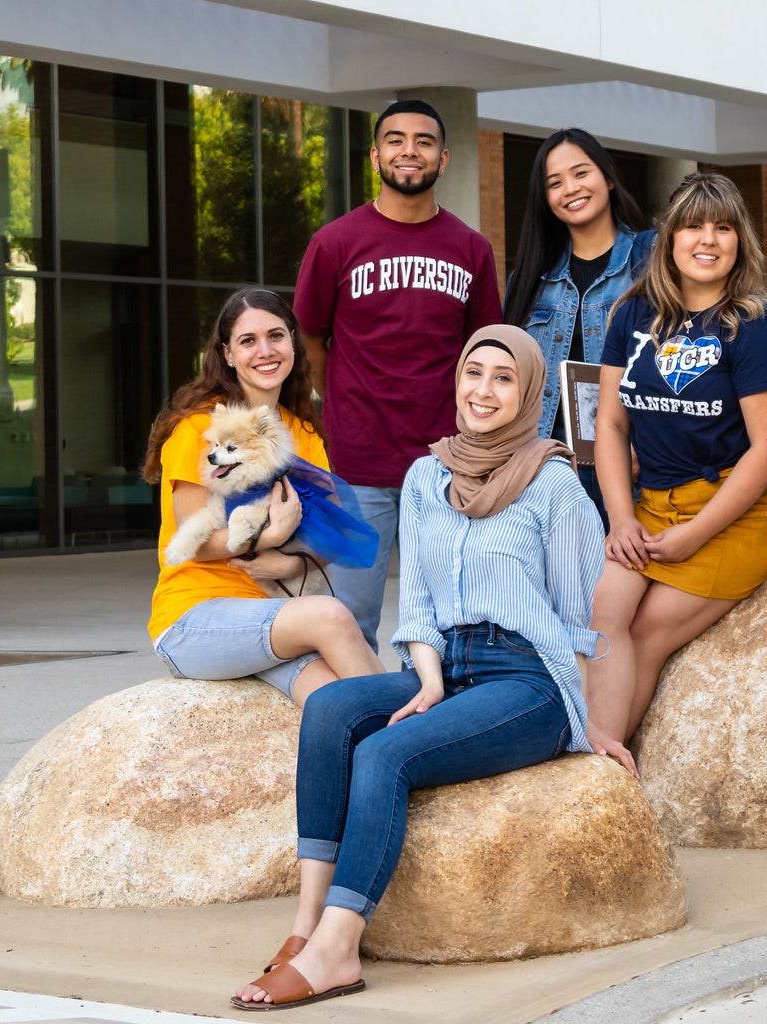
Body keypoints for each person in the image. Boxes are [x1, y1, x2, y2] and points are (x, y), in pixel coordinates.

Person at [230, 325, 605, 1011]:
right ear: (456, 381)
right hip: (449, 666)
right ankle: (306, 925)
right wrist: (427, 679)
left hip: (527, 683)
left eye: (503, 379)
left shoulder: (555, 487)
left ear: (528, 394)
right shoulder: (427, 476)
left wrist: (593, 722)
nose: (483, 391)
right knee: (330, 709)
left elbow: (582, 621)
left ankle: (340, 950)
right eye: (473, 373)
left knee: (386, 752)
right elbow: (422, 603)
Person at [581, 172, 767, 749]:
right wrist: (622, 517)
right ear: (669, 239)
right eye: (693, 226)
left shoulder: (759, 327)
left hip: (740, 508)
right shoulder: (631, 316)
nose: (708, 240)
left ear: (741, 240)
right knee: (602, 616)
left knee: (649, 628)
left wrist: (695, 534)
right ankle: (585, 756)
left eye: (723, 227)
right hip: (654, 503)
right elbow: (609, 423)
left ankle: (601, 771)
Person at [293, 98, 503, 652]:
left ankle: (436, 726)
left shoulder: (471, 249)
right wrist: (335, 403)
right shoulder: (335, 242)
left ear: (444, 158)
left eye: (424, 141)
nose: (409, 151)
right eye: (396, 140)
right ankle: (356, 726)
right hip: (357, 464)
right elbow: (310, 336)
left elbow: (486, 353)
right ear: (375, 154)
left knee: (446, 615)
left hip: (444, 465)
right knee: (350, 618)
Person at [141, 289, 381, 704]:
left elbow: (331, 539)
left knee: (335, 699)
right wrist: (267, 539)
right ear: (228, 354)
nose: (265, 351)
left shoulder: (301, 434)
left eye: (276, 336)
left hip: (277, 612)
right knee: (331, 616)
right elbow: (195, 545)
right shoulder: (200, 428)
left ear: (293, 342)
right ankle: (419, 736)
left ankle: (396, 746)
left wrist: (285, 562)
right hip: (196, 617)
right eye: (248, 341)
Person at [501, 127, 654, 521]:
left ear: (607, 177)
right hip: (541, 470)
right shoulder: (529, 280)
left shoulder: (650, 262)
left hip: (631, 466)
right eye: (555, 183)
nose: (570, 188)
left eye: (581, 173)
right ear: (545, 199)